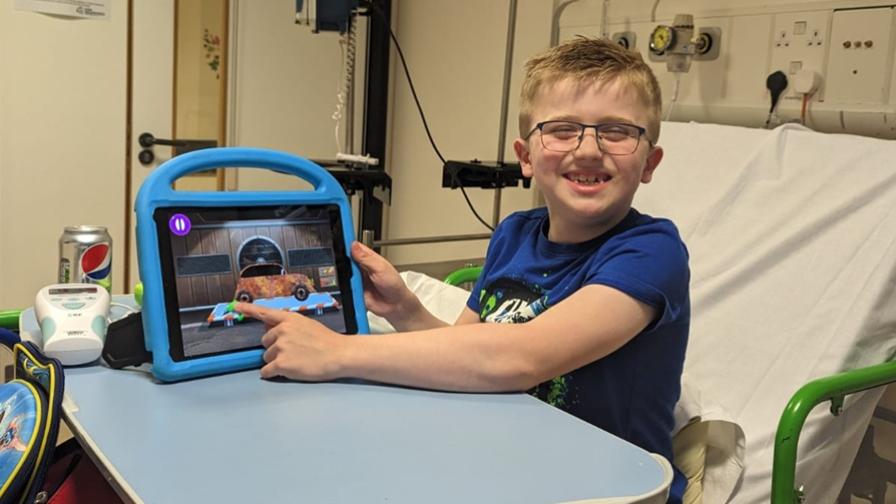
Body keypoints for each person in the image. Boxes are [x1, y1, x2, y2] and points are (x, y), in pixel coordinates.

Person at [238, 36, 689, 502]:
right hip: (505, 467)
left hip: (609, 490)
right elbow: (468, 356)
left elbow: (520, 359)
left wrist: (337, 353)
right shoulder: (514, 235)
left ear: (650, 162)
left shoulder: (651, 252)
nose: (589, 149)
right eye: (562, 129)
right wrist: (406, 313)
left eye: (616, 131)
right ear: (526, 157)